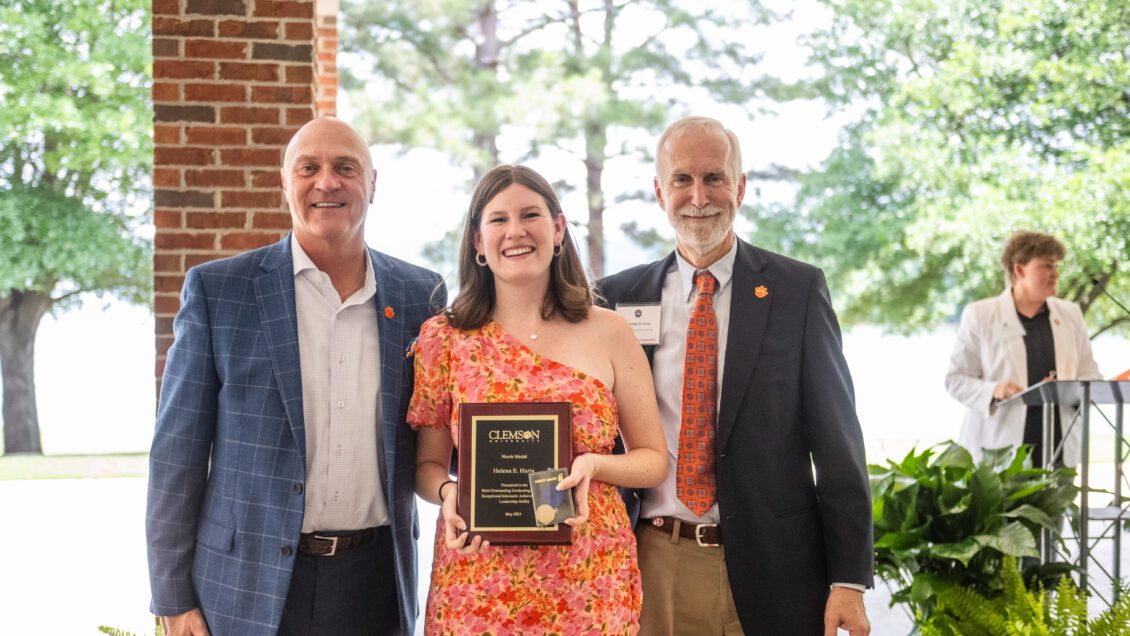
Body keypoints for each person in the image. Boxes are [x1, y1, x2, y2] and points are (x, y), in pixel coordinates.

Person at [146, 116, 444, 635]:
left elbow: (443, 430)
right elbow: (177, 456)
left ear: (373, 185)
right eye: (309, 168)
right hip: (244, 584)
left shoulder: (423, 296)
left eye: (345, 168)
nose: (327, 182)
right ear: (285, 183)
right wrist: (171, 597)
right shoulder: (221, 292)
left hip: (374, 582)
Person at [598, 116, 873, 635]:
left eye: (714, 178)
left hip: (778, 569)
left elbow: (838, 444)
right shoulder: (616, 299)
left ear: (740, 188)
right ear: (660, 192)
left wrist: (849, 579)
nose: (698, 196)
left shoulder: (797, 291)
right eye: (682, 180)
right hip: (653, 562)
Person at [408, 164, 668, 634]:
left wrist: (596, 465)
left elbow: (652, 461)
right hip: (478, 584)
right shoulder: (443, 339)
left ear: (558, 228)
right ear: (477, 242)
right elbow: (428, 468)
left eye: (530, 215)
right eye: (498, 219)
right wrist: (449, 495)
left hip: (589, 583)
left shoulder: (610, 331)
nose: (516, 231)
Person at [946, 230, 1102, 468]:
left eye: (1056, 266)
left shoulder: (1070, 314)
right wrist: (994, 389)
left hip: (1060, 452)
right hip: (1002, 455)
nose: (1055, 274)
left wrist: (1071, 389)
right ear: (1019, 270)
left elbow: (1090, 375)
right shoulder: (980, 315)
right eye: (1047, 266)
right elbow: (956, 380)